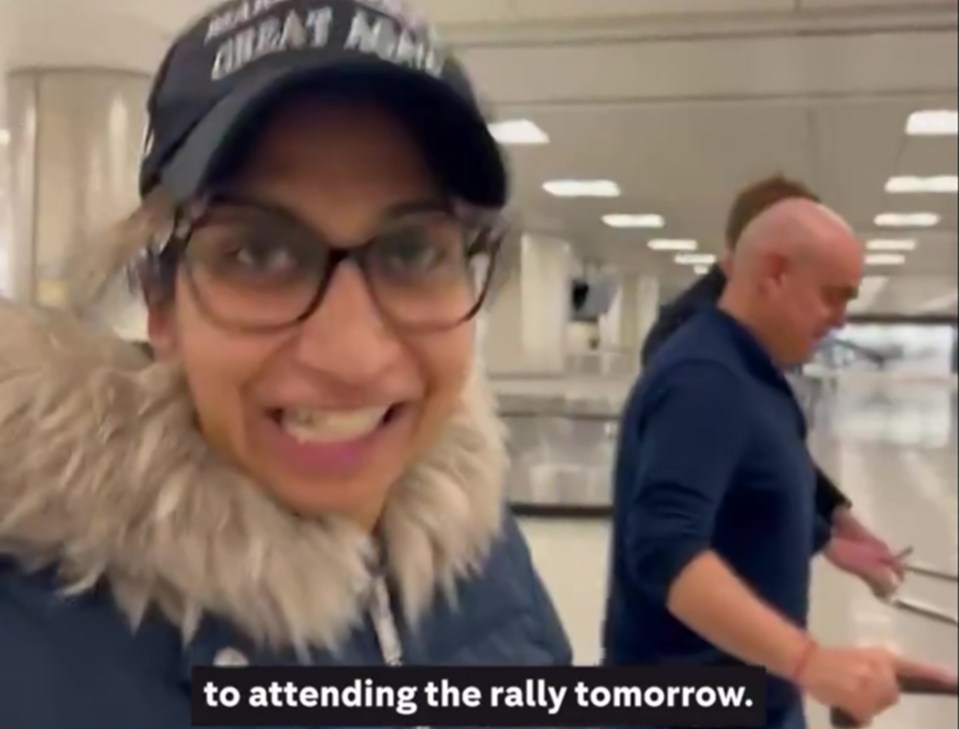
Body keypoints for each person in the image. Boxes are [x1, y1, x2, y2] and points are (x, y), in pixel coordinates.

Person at [0, 1, 571, 726]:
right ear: (162, 302)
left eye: (413, 252)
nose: (351, 357)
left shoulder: (478, 545)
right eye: (258, 252)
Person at [602, 198, 957, 729]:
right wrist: (811, 663)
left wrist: (830, 533)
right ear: (773, 273)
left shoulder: (753, 374)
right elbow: (666, 549)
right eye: (832, 296)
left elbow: (754, 488)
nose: (840, 320)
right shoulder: (705, 379)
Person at [641, 175, 905, 597]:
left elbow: (773, 444)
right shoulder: (693, 354)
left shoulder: (754, 336)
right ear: (772, 263)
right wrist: (804, 660)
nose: (838, 320)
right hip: (706, 625)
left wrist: (836, 517)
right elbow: (678, 536)